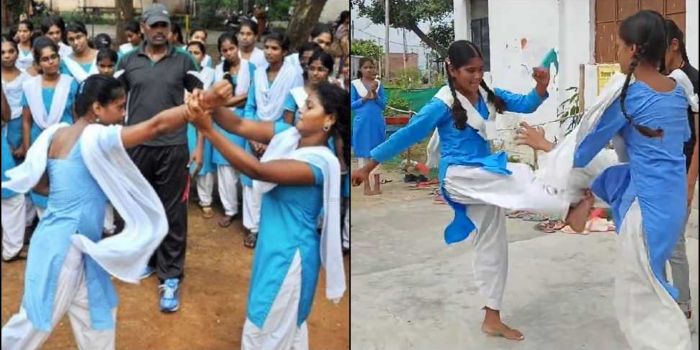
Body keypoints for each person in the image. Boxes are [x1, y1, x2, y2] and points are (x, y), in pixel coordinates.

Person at [0, 74, 230, 350]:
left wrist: (78, 196)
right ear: (97, 108)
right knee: (31, 326)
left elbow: (38, 181)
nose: (124, 114)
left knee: (97, 316)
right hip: (63, 249)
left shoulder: (57, 132)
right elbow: (155, 126)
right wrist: (196, 106)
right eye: (120, 107)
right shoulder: (95, 135)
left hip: (76, 246)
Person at [352, 40, 557, 340]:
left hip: (484, 175)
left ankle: (492, 316)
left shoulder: (488, 94)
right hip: (460, 177)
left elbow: (526, 103)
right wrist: (368, 165)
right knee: (519, 174)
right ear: (452, 69)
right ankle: (565, 203)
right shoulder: (442, 103)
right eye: (469, 71)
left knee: (494, 242)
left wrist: (541, 87)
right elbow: (409, 134)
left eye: (479, 70)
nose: (476, 76)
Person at [188, 81, 347, 350]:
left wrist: (208, 132)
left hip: (289, 256)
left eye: (309, 106)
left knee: (265, 329)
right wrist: (209, 101)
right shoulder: (288, 135)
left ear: (328, 119)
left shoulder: (318, 163)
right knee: (280, 330)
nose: (300, 110)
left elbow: (258, 171)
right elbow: (238, 125)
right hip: (274, 247)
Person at [571, 10, 693, 349]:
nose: (617, 54)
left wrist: (545, 146)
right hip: (673, 208)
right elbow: (678, 142)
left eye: (621, 47)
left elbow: (581, 152)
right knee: (651, 281)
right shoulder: (678, 92)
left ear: (635, 49)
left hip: (648, 213)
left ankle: (675, 341)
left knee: (639, 298)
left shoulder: (629, 98)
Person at [115, 3, 204, 312]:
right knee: (139, 206)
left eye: (163, 26)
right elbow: (113, 99)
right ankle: (147, 260)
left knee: (173, 212)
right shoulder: (127, 60)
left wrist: (200, 143)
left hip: (172, 146)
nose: (158, 31)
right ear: (143, 27)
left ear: (170, 29)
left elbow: (200, 100)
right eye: (153, 25)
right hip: (136, 146)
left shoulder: (184, 59)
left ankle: (170, 276)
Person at [239, 31, 304, 248]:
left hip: (279, 137)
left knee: (276, 184)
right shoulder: (257, 73)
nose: (269, 52)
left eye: (274, 48)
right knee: (251, 184)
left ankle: (273, 230)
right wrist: (252, 135)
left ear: (285, 52)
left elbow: (290, 110)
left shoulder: (293, 74)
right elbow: (250, 107)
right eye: (266, 47)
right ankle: (254, 229)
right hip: (253, 136)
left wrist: (272, 139)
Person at [662, 18, 698, 331]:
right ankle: (662, 302)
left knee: (674, 245)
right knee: (656, 243)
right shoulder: (662, 80)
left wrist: (690, 181)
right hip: (661, 174)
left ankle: (683, 308)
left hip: (682, 173)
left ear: (674, 44)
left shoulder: (691, 80)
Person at [19, 37, 79, 220]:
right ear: (38, 64)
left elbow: (77, 117)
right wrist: (29, 150)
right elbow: (26, 121)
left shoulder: (70, 83)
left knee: (64, 185)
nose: (51, 61)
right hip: (39, 144)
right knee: (40, 187)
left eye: (54, 56)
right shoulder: (29, 87)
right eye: (45, 59)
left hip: (65, 143)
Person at [211, 32, 254, 227]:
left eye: (231, 48)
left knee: (245, 166)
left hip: (244, 122)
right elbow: (215, 98)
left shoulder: (252, 68)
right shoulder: (218, 70)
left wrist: (228, 101)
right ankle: (229, 209)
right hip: (222, 121)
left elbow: (250, 97)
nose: (228, 53)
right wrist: (231, 101)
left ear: (238, 47)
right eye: (224, 50)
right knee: (224, 168)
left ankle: (249, 212)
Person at [186, 40, 217, 219]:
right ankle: (185, 195)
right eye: (189, 52)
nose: (192, 56)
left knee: (202, 161)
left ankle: (205, 200)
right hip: (183, 122)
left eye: (196, 53)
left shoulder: (210, 74)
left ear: (204, 56)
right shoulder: (180, 73)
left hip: (203, 120)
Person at [351, 57, 386, 195]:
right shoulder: (355, 85)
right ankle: (366, 186)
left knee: (378, 152)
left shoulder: (378, 84)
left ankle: (377, 185)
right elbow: (351, 105)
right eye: (365, 67)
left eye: (371, 67)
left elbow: (383, 105)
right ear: (360, 69)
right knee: (364, 153)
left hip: (376, 122)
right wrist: (365, 97)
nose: (369, 70)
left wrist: (375, 94)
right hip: (362, 124)